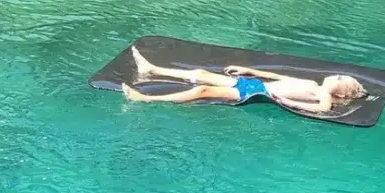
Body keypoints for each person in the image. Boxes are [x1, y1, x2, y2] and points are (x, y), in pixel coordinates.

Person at [120, 47, 367, 114]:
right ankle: (152, 68)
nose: (335, 75)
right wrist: (248, 69)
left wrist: (289, 103)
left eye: (339, 78)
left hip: (257, 94)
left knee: (203, 89)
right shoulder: (314, 84)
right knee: (203, 74)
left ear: (342, 94)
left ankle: (146, 99)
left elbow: (321, 108)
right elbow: (281, 76)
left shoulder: (322, 95)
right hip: (257, 84)